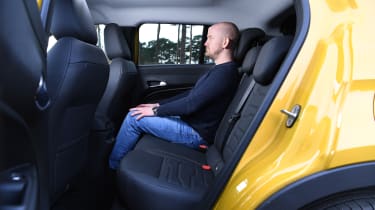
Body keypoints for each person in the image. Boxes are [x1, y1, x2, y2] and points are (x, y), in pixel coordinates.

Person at [109, 22, 240, 169]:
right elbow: (191, 94)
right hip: (191, 122)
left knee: (134, 118)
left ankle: (113, 167)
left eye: (210, 38)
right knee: (139, 113)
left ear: (225, 42)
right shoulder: (219, 70)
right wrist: (158, 105)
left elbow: (190, 104)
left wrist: (155, 111)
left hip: (196, 134)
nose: (205, 42)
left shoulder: (225, 74)